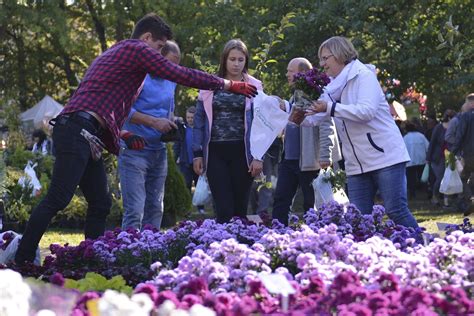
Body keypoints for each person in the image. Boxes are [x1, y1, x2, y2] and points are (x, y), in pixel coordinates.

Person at [14, 14, 257, 264]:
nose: (159, 54)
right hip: (77, 130)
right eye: (160, 47)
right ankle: (22, 258)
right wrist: (227, 84)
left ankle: (91, 259)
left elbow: (102, 105)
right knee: (59, 197)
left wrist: (124, 133)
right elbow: (178, 73)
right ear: (147, 37)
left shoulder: (117, 55)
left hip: (85, 131)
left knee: (100, 202)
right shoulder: (137, 48)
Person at [308, 36, 418, 229]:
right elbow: (318, 115)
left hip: (386, 157)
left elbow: (366, 111)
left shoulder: (364, 76)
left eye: (326, 58)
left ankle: (425, 250)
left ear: (341, 55)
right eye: (321, 59)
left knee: (396, 210)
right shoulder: (331, 86)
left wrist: (330, 108)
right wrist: (295, 113)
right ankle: (363, 258)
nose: (322, 64)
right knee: (358, 219)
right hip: (356, 165)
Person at [193, 39, 263, 223]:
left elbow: (262, 124)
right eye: (232, 59)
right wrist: (197, 153)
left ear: (246, 61)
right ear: (224, 60)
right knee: (223, 208)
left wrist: (258, 156)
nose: (236, 64)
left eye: (241, 60)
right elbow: (199, 121)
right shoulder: (210, 84)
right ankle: (222, 249)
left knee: (240, 208)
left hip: (243, 152)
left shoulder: (255, 85)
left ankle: (242, 249)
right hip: (215, 151)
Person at [118, 40, 181, 231]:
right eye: (168, 64)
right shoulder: (138, 78)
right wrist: (154, 122)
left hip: (159, 151)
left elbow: (166, 108)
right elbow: (122, 110)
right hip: (134, 150)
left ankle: (150, 253)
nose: (171, 69)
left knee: (155, 208)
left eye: (175, 65)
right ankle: (127, 254)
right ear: (156, 58)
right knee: (135, 209)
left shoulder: (171, 80)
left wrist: (171, 122)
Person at [272, 57, 339, 226]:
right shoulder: (295, 96)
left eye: (290, 71)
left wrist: (325, 156)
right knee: (281, 199)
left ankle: (318, 237)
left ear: (302, 74)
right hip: (289, 160)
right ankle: (278, 235)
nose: (287, 74)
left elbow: (326, 126)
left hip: (310, 162)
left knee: (312, 203)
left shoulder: (317, 95)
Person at [174, 106, 205, 214]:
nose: (190, 119)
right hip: (185, 162)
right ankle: (187, 209)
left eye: (192, 117)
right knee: (186, 185)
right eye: (188, 117)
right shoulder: (183, 130)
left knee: (199, 186)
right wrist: (174, 159)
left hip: (199, 163)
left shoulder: (201, 130)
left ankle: (201, 208)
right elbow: (177, 145)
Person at [426, 109, 456, 206]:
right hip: (438, 158)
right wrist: (428, 158)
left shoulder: (454, 128)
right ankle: (435, 196)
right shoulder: (438, 128)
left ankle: (446, 200)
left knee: (449, 179)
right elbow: (432, 143)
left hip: (450, 157)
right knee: (440, 178)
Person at [451, 93, 474, 216]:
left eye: (466, 102)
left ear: (471, 103)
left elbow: (460, 136)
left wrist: (453, 152)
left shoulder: (466, 117)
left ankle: (471, 199)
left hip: (470, 154)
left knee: (464, 178)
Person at [403, 120, 429, 199]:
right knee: (423, 177)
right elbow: (428, 147)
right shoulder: (421, 136)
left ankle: (412, 194)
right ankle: (425, 192)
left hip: (410, 162)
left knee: (411, 179)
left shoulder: (405, 138)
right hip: (421, 160)